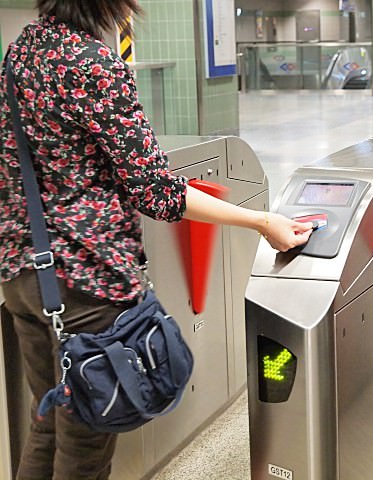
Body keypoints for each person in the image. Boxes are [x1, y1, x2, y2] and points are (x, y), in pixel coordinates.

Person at [0, 1, 313, 479]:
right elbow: (159, 191)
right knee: (84, 448)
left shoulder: (20, 53)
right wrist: (261, 221)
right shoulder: (93, 64)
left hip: (25, 272)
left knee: (49, 423)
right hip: (86, 282)